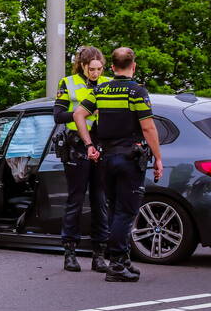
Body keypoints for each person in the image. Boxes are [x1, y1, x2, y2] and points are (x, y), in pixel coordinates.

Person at [73, 47, 164, 282]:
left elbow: (78, 114)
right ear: (133, 66)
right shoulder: (137, 92)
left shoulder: (101, 90)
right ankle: (115, 266)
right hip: (129, 159)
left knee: (114, 209)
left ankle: (123, 260)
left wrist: (89, 145)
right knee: (126, 212)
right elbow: (147, 127)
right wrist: (158, 158)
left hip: (105, 158)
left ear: (112, 67)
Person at [53, 46, 110, 273]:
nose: (96, 73)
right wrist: (84, 113)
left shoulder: (108, 83)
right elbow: (58, 115)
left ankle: (99, 255)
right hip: (77, 145)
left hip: (101, 144)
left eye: (99, 68)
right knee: (75, 199)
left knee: (100, 200)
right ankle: (70, 252)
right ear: (83, 65)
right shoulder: (68, 83)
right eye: (92, 69)